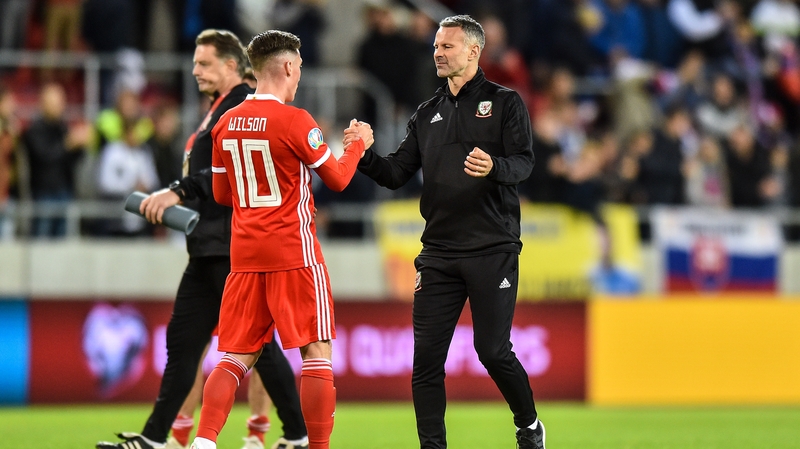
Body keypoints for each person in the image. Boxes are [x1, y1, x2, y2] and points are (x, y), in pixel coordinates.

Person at [96, 29, 309, 449]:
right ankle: (156, 437)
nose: (195, 70)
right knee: (184, 342)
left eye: (204, 63)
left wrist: (176, 190)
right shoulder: (218, 108)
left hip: (234, 245)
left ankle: (297, 433)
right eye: (195, 62)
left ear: (233, 65)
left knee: (255, 349)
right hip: (207, 245)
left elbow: (221, 176)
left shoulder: (242, 107)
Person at [349, 14, 545, 449]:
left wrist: (494, 167)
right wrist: (365, 154)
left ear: (474, 51)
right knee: (426, 364)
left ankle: (529, 425)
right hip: (438, 252)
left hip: (492, 247)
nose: (438, 52)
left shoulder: (505, 102)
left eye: (448, 46)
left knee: (492, 351)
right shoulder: (427, 112)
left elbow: (525, 163)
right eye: (436, 46)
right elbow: (396, 173)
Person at [188, 30, 373, 449]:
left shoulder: (224, 124)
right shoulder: (295, 121)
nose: (299, 77)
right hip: (293, 252)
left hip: (245, 256)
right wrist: (358, 145)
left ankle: (204, 441)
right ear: (288, 66)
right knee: (315, 353)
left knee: (234, 356)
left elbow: (221, 195)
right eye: (300, 69)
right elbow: (339, 179)